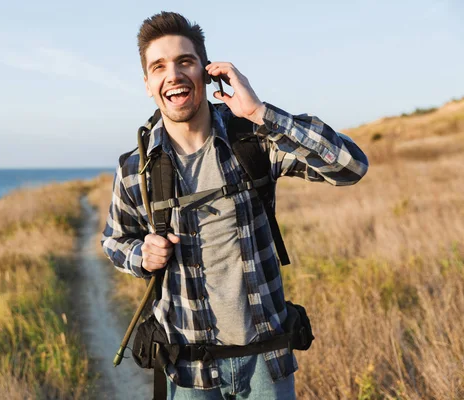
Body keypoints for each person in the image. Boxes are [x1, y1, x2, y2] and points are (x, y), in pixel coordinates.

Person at [102, 11, 368, 400]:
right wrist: (142, 255)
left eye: (185, 61)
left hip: (265, 363)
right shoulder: (135, 168)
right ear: (148, 84)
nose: (173, 75)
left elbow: (350, 166)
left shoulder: (254, 140)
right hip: (188, 369)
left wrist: (260, 112)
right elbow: (114, 241)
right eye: (159, 66)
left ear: (207, 73)